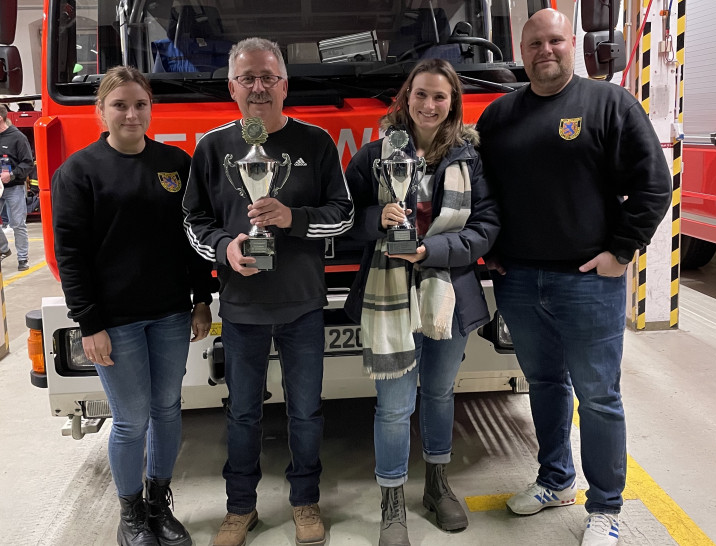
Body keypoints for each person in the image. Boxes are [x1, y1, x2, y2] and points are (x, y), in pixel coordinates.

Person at [475, 9, 672, 546]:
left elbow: (654, 184)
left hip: (589, 282)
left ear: (573, 44)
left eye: (555, 40)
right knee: (544, 386)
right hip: (519, 280)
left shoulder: (609, 104)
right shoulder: (498, 116)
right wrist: (490, 250)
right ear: (521, 48)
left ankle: (606, 507)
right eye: (534, 42)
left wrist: (622, 251)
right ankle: (555, 480)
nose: (545, 50)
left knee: (598, 396)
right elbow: (483, 193)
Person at [182, 38, 354, 546]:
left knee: (306, 410)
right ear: (232, 86)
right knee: (242, 412)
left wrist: (292, 218)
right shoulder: (213, 147)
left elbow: (342, 216)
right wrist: (225, 250)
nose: (259, 87)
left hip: (302, 304)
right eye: (248, 78)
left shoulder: (317, 143)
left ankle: (305, 501)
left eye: (268, 77)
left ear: (285, 84)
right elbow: (194, 221)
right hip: (240, 307)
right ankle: (241, 509)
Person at [52, 66, 216, 546]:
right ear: (101, 111)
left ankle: (157, 504)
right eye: (119, 105)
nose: (131, 113)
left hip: (169, 313)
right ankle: (129, 515)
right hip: (114, 322)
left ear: (151, 109)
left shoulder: (175, 164)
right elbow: (71, 255)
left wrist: (201, 299)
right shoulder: (78, 172)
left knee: (168, 409)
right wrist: (89, 323)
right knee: (131, 418)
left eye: (140, 104)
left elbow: (191, 241)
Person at [344, 58, 500, 546]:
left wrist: (430, 249)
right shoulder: (373, 154)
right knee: (393, 406)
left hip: (447, 295)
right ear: (405, 98)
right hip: (387, 295)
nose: (429, 105)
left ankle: (436, 485)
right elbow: (345, 218)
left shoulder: (470, 158)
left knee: (438, 394)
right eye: (421, 94)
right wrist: (377, 218)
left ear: (452, 102)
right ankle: (392, 502)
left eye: (440, 96)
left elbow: (486, 227)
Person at [0, 104, 34, 270]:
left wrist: (11, 175)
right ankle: (3, 249)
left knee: (17, 224)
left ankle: (23, 258)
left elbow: (28, 163)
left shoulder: (17, 138)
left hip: (14, 187)